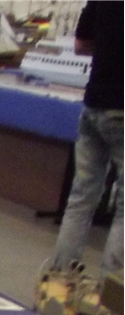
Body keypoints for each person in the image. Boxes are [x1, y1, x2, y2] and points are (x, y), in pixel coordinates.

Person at [49, 0, 123, 275]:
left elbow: (80, 45)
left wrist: (108, 48)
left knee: (81, 198)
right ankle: (110, 293)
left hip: (94, 104)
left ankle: (59, 278)